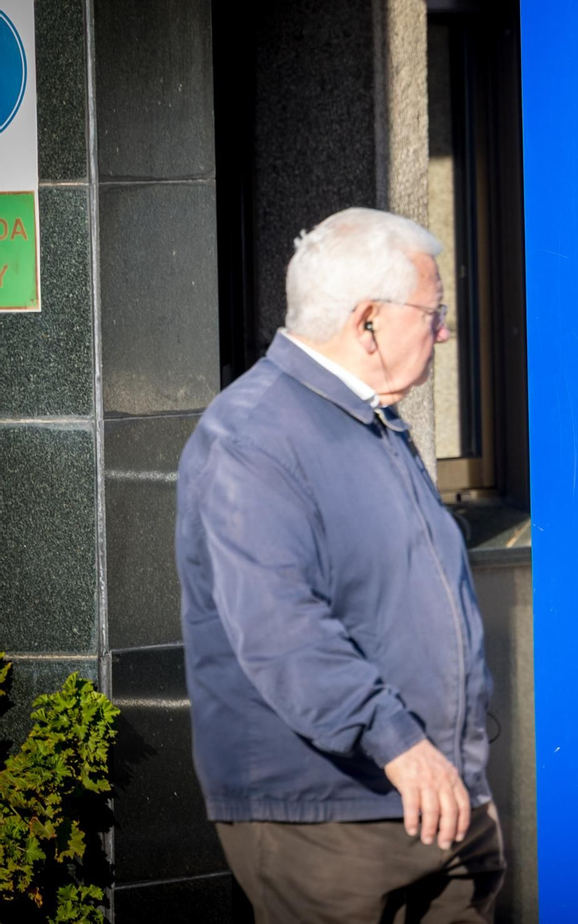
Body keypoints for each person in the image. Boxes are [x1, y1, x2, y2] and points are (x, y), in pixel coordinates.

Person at [175, 208, 502, 923]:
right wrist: (400, 743)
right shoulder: (253, 436)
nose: (444, 333)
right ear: (370, 323)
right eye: (434, 312)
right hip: (327, 816)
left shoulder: (371, 422)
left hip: (430, 799)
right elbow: (281, 629)